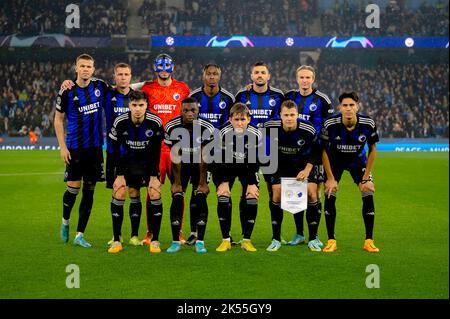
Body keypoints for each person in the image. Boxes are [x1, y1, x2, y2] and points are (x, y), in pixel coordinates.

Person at [132, 53, 190, 245]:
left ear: (172, 68)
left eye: (167, 66)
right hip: (155, 148)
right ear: (155, 68)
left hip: (176, 148)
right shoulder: (148, 88)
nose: (163, 69)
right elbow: (125, 89)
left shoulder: (182, 88)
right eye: (160, 66)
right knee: (152, 190)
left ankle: (179, 233)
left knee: (178, 190)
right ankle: (149, 234)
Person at [55, 54, 108, 247]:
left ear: (93, 69)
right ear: (76, 68)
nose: (86, 69)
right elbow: (58, 120)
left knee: (89, 191)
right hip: (75, 149)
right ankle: (65, 221)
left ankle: (80, 235)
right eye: (82, 66)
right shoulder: (67, 91)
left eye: (89, 66)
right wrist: (62, 147)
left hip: (95, 149)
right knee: (73, 189)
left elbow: (122, 89)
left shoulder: (100, 87)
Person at [320, 91, 380, 253]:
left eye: (351, 105)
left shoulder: (368, 123)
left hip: (357, 161)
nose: (348, 108)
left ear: (357, 107)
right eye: (345, 105)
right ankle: (331, 240)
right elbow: (323, 151)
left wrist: (366, 177)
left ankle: (369, 240)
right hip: (335, 162)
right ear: (339, 107)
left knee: (368, 192)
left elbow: (373, 149)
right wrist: (330, 178)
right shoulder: (330, 124)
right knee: (329, 192)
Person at [107, 91, 164, 253]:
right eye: (134, 105)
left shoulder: (155, 122)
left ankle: (155, 240)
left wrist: (154, 176)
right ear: (129, 105)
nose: (138, 109)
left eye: (141, 105)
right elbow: (115, 150)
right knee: (119, 192)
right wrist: (118, 175)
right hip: (127, 163)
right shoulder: (120, 122)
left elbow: (156, 151)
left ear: (146, 105)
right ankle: (117, 240)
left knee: (154, 193)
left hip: (148, 164)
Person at [235, 62, 284, 242]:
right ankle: (244, 234)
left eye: (263, 72)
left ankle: (276, 236)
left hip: (271, 150)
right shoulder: (242, 95)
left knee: (274, 192)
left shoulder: (278, 95)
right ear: (251, 75)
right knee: (245, 190)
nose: (260, 75)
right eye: (256, 72)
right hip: (248, 150)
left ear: (268, 75)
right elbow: (234, 118)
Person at [284, 65, 333, 246]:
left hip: (315, 152)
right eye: (302, 77)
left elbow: (327, 127)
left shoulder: (322, 99)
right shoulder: (289, 97)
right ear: (297, 79)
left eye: (308, 77)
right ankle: (299, 234)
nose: (305, 80)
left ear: (313, 79)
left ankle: (314, 235)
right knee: (295, 194)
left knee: (313, 193)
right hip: (293, 153)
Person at [263, 100, 320, 251]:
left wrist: (307, 170)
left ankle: (313, 238)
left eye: (292, 115)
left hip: (303, 164)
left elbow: (317, 150)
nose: (289, 118)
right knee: (276, 194)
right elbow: (260, 141)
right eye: (286, 115)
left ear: (297, 115)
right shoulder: (270, 126)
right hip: (280, 164)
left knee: (312, 193)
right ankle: (276, 239)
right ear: (280, 115)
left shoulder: (307, 128)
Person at [187, 63, 235, 245]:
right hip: (198, 153)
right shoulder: (194, 97)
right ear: (203, 75)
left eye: (215, 74)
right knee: (197, 191)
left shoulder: (228, 98)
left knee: (224, 192)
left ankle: (227, 235)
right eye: (209, 74)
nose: (212, 77)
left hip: (222, 154)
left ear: (219, 76)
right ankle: (194, 232)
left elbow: (232, 124)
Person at [164, 97, 215, 253]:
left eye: (193, 110)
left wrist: (202, 182)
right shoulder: (172, 126)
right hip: (181, 165)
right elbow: (175, 154)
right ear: (181, 111)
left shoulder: (207, 127)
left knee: (200, 196)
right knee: (177, 196)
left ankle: (200, 241)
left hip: (201, 165)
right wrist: (177, 182)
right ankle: (175, 241)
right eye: (186, 110)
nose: (189, 114)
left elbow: (205, 156)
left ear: (198, 110)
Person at [214, 103, 262, 252]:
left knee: (252, 195)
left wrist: (252, 183)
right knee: (223, 195)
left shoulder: (256, 134)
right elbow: (219, 159)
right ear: (230, 120)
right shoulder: (222, 133)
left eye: (243, 119)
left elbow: (254, 161)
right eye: (236, 119)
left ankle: (247, 240)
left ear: (249, 119)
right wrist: (223, 182)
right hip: (225, 166)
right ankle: (225, 240)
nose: (239, 123)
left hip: (247, 167)